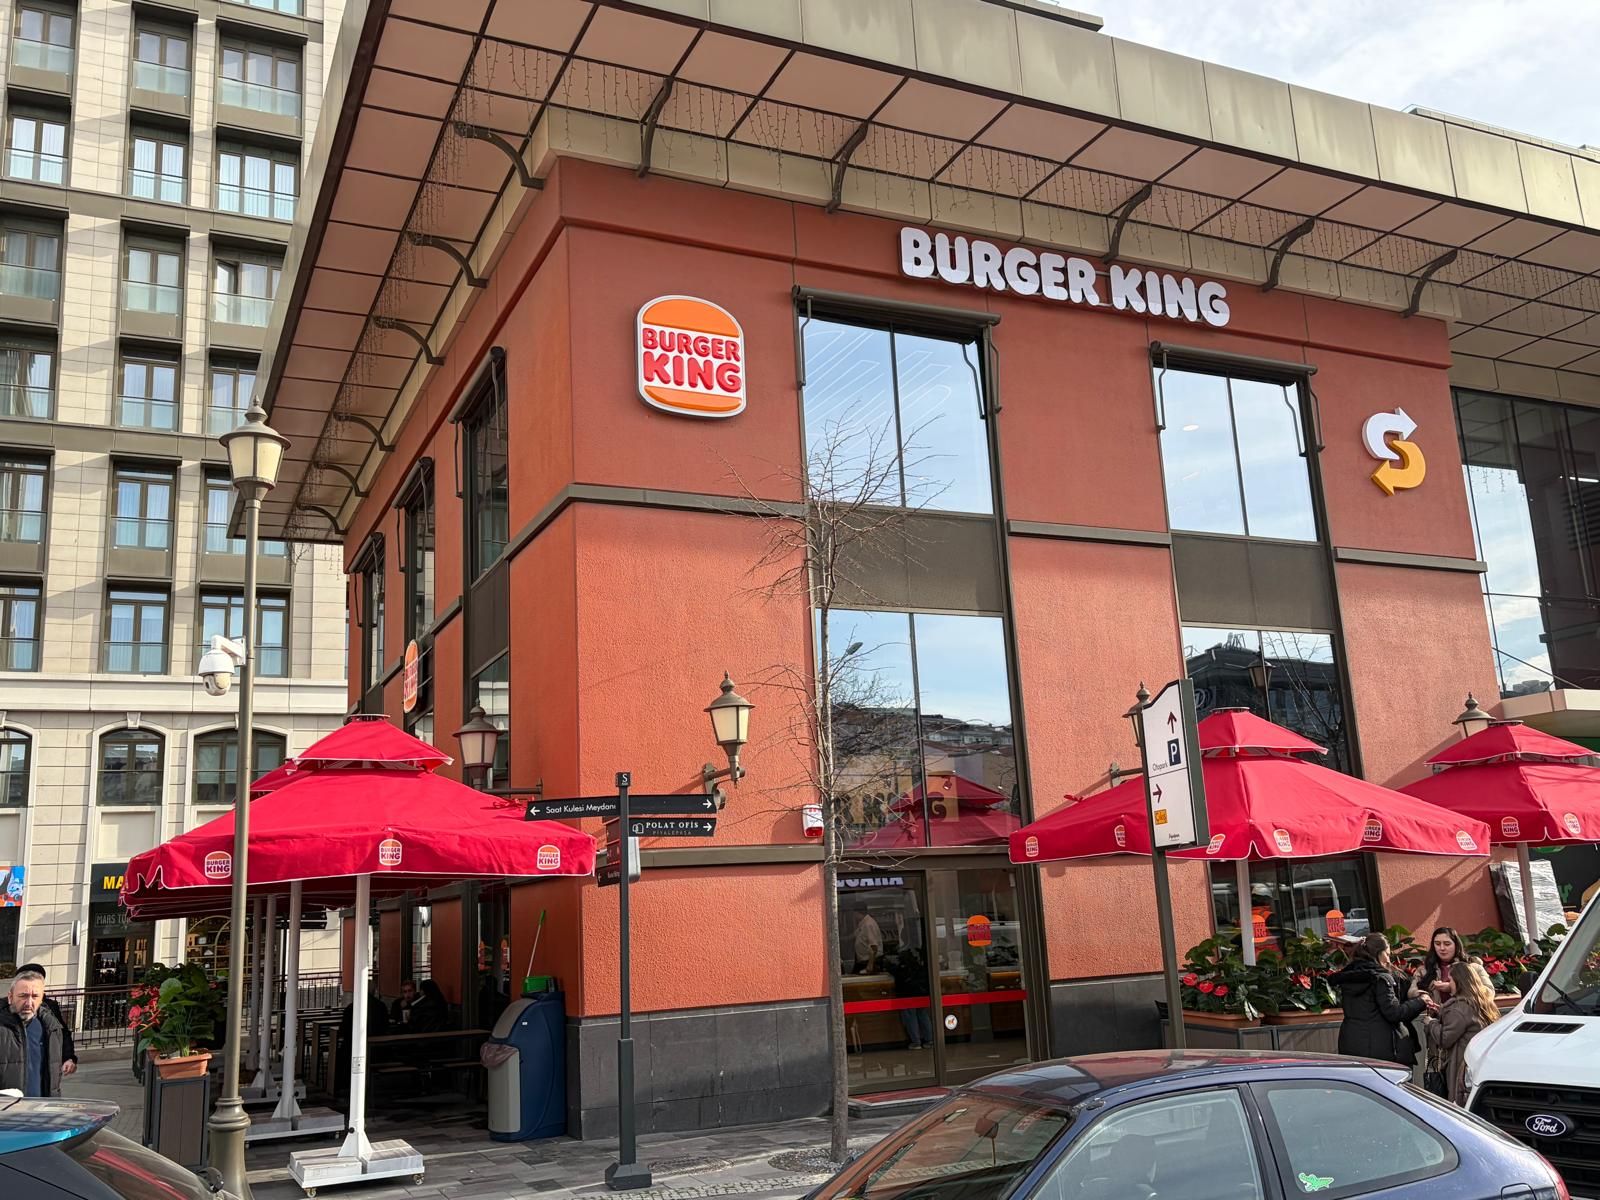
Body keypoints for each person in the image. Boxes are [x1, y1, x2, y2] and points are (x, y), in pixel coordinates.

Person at [1328, 933, 1433, 1064]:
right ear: (1378, 953)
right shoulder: (1381, 978)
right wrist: (1421, 1001)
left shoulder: (1348, 978)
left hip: (1353, 1046)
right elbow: (1394, 1013)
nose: (1388, 960)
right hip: (1385, 1050)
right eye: (1387, 954)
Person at [1426, 961, 1500, 1105]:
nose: (1449, 984)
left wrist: (1431, 1023)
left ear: (1459, 982)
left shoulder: (1459, 1008)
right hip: (1478, 1063)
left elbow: (1444, 1038)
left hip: (1460, 1066)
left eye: (1451, 980)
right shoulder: (1482, 1002)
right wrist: (1441, 1012)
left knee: (1458, 1105)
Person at [0, 970, 66, 1096]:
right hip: (6, 1107)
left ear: (41, 999)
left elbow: (53, 1079)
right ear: (10, 997)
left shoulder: (51, 1028)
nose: (29, 1003)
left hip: (42, 1106)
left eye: (35, 996)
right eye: (23, 996)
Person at [16, 964, 75, 1078]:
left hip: (45, 1066)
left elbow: (62, 1033)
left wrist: (68, 1058)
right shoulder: (8, 1007)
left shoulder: (50, 1007)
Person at [1409, 928, 1468, 1003]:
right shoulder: (1424, 969)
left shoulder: (1470, 966)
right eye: (1437, 944)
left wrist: (1451, 987)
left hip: (1462, 1009)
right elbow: (1411, 992)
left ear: (1456, 945)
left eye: (1447, 944)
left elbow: (1482, 991)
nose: (1442, 948)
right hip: (1435, 1010)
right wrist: (1422, 995)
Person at [853, 910, 884, 975]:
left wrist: (870, 965)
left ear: (857, 913)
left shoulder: (868, 924)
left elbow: (874, 946)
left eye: (854, 914)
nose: (853, 916)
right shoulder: (862, 923)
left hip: (870, 962)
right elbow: (855, 935)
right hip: (863, 961)